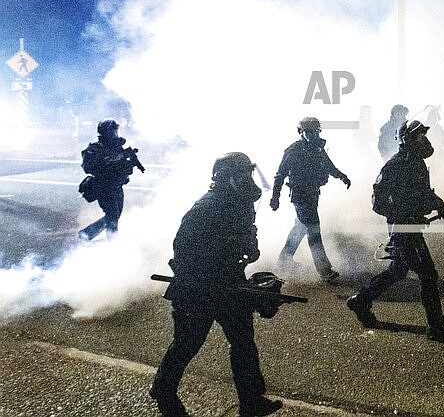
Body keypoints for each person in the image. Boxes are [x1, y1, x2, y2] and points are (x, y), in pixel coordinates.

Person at [150, 152, 283, 417]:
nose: (248, 179)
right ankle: (163, 388)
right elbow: (183, 249)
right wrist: (216, 265)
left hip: (229, 282)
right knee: (188, 343)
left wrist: (249, 250)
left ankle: (252, 401)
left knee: (243, 340)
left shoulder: (241, 203)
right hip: (197, 287)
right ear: (225, 177)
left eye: (249, 173)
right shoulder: (206, 208)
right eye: (242, 174)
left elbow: (246, 237)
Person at [346, 120, 444, 344]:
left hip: (410, 226)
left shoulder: (416, 163)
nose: (424, 140)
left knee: (398, 270)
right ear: (406, 139)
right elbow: (377, 202)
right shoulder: (395, 165)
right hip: (403, 228)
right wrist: (401, 216)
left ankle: (361, 300)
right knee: (428, 273)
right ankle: (436, 325)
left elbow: (423, 193)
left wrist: (439, 205)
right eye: (419, 137)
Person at [270, 117, 351, 285]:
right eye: (310, 132)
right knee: (314, 230)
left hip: (312, 194)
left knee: (300, 228)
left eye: (316, 131)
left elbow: (329, 166)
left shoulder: (317, 148)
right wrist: (275, 197)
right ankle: (324, 270)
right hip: (301, 196)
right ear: (300, 132)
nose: (314, 135)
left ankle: (284, 260)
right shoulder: (294, 150)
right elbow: (280, 174)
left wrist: (342, 176)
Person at [78, 119, 143, 241]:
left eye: (115, 131)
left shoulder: (117, 147)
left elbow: (123, 166)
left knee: (114, 215)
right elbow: (87, 167)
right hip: (103, 187)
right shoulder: (95, 149)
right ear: (105, 132)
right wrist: (109, 161)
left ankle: (86, 234)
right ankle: (112, 243)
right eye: (112, 131)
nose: (115, 134)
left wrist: (127, 161)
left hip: (117, 186)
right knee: (112, 216)